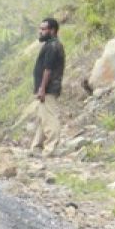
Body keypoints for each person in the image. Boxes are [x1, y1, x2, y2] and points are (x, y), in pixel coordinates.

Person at [30, 17, 65, 156]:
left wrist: (42, 88)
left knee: (50, 118)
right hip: (46, 88)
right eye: (40, 29)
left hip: (49, 88)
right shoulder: (50, 45)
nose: (41, 32)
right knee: (42, 118)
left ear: (53, 30)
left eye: (44, 29)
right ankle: (37, 147)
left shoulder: (53, 46)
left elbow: (48, 69)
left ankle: (51, 148)